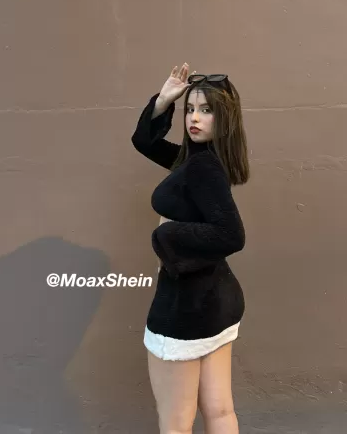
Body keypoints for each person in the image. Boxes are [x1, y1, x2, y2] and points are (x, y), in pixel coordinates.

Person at [131, 62, 249, 434]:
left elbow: (231, 235)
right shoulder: (196, 159)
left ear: (225, 119)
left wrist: (165, 236)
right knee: (220, 411)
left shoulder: (201, 167)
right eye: (191, 109)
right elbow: (145, 142)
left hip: (185, 309)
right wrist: (164, 100)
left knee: (176, 424)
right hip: (217, 301)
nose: (194, 118)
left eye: (206, 110)